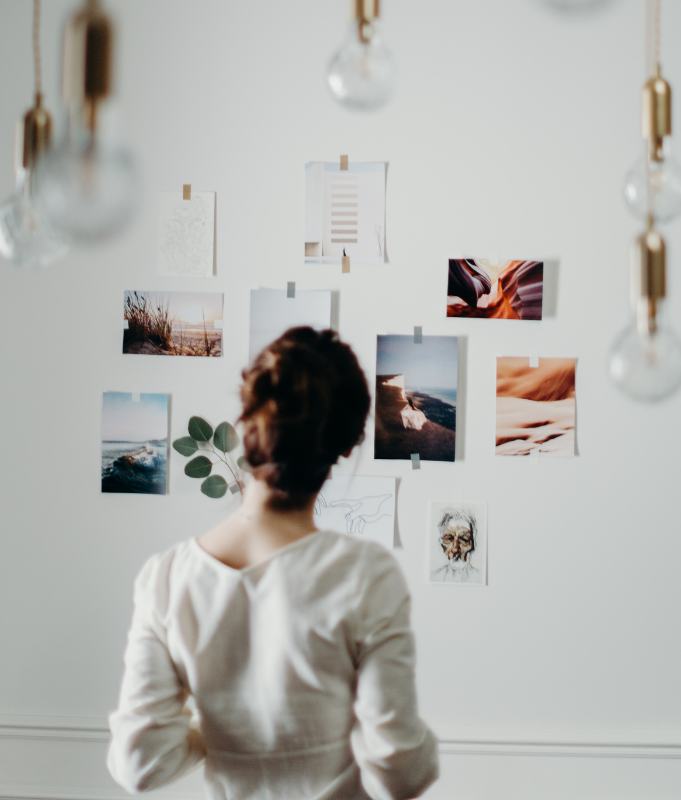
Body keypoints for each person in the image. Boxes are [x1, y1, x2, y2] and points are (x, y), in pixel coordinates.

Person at [107, 327, 439, 800]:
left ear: (247, 426)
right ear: (347, 444)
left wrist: (218, 734)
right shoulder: (365, 575)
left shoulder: (166, 578)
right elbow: (401, 771)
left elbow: (140, 762)